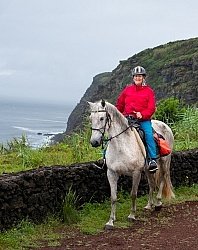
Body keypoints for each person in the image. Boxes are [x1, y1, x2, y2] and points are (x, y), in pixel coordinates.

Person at [116, 66, 158, 173]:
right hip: (127, 119)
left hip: (143, 120)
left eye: (139, 76)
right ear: (133, 77)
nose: (137, 78)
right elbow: (120, 104)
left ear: (143, 77)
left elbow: (151, 108)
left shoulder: (149, 91)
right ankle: (105, 158)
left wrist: (142, 114)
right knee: (114, 133)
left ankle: (152, 160)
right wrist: (117, 117)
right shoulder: (127, 90)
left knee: (148, 135)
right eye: (135, 76)